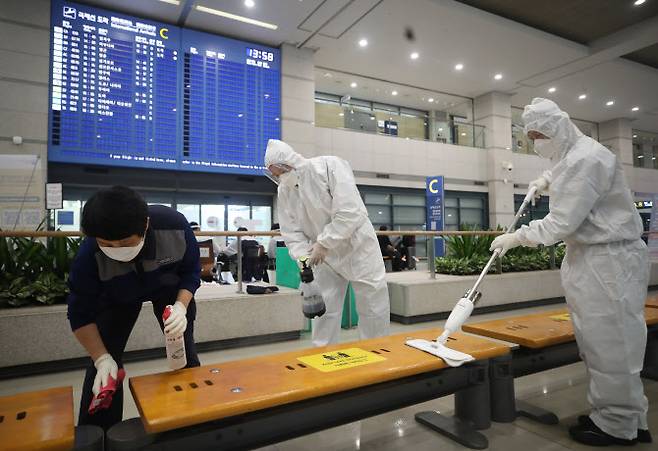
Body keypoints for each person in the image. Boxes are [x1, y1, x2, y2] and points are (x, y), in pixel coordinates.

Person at [490, 98, 651, 446]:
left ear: (556, 129)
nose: (536, 142)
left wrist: (516, 237)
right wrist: (545, 180)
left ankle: (615, 425)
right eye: (530, 136)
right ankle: (626, 417)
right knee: (607, 343)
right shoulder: (577, 153)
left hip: (605, 264)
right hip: (598, 261)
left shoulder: (585, 159)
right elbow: (564, 169)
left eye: (539, 134)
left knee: (609, 345)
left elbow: (559, 224)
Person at [67, 186, 201, 431]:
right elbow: (79, 312)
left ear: (146, 224)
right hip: (117, 295)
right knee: (105, 369)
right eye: (107, 244)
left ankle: (194, 422)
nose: (117, 250)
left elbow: (191, 273)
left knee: (182, 351)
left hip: (167, 288)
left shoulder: (174, 226)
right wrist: (101, 358)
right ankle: (98, 435)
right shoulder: (89, 255)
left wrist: (181, 307)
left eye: (125, 242)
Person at [264, 139, 390, 346]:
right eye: (275, 175)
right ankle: (323, 356)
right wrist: (303, 256)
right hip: (321, 256)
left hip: (357, 247)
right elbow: (291, 231)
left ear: (290, 163)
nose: (279, 178)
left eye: (280, 172)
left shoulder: (329, 166)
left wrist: (324, 242)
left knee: (372, 305)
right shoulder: (284, 190)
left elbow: (350, 211)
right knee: (325, 309)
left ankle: (377, 352)